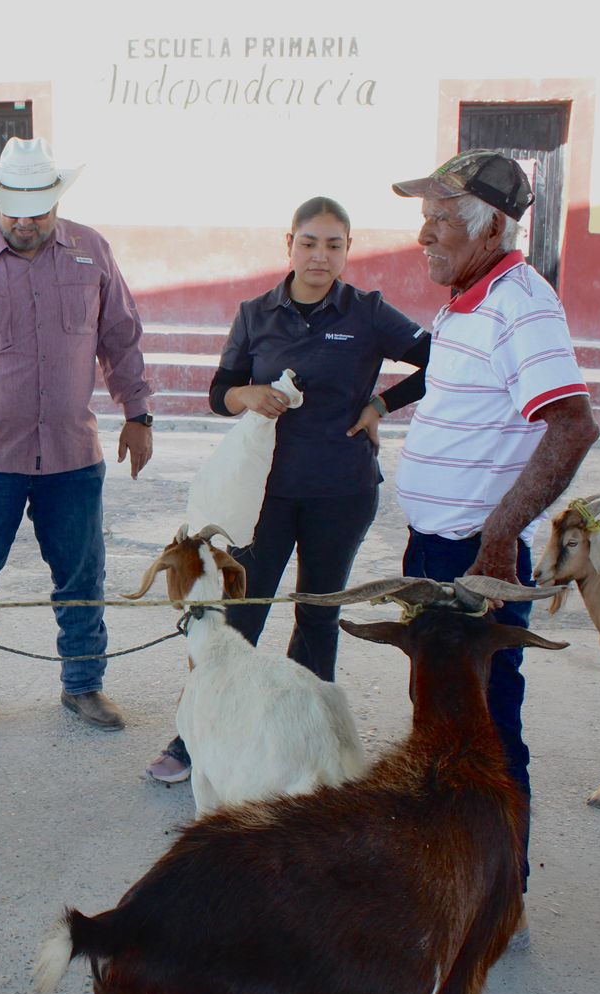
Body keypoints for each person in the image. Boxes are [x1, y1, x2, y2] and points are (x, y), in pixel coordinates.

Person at [146, 196, 433, 784]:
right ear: (290, 245)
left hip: (342, 491)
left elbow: (440, 361)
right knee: (238, 616)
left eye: (333, 245)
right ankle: (197, 736)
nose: (320, 256)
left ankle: (309, 740)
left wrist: (382, 404)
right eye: (309, 243)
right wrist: (246, 395)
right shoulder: (256, 314)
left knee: (317, 617)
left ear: (348, 250)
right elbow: (220, 391)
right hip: (265, 496)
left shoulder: (368, 313)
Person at [390, 149, 600, 943]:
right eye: (425, 217)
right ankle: (449, 875)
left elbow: (573, 425)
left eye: (441, 219)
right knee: (441, 718)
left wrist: (501, 532)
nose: (424, 234)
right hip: (436, 551)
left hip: (474, 563)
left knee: (485, 726)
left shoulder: (521, 304)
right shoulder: (467, 304)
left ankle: (496, 902)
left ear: (490, 228)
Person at [0, 136, 154, 740]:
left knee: (81, 577)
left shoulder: (92, 252)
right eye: (14, 211)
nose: (25, 223)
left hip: (71, 454)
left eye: (39, 211)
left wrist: (138, 414)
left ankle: (83, 685)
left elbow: (120, 337)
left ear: (57, 202)